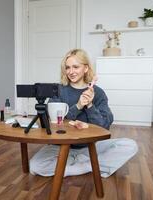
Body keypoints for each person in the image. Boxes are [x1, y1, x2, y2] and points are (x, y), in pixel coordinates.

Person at [30, 49, 138, 178]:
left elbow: (104, 127)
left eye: (76, 67)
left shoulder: (98, 93)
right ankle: (92, 166)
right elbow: (53, 123)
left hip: (90, 146)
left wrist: (90, 105)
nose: (71, 72)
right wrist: (78, 106)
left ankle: (77, 165)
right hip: (59, 146)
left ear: (85, 68)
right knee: (35, 166)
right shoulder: (58, 90)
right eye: (67, 68)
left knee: (129, 145)